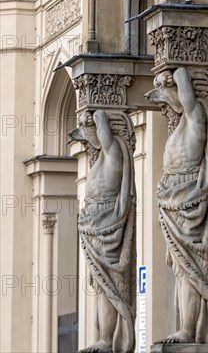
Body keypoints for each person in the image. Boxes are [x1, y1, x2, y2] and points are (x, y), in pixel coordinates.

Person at [145, 68, 208, 344]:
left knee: (191, 268)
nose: (165, 103)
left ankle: (190, 330)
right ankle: (185, 327)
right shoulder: (180, 124)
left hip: (190, 199)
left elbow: (187, 95)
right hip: (174, 200)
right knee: (182, 269)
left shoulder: (196, 114)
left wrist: (176, 68)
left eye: (168, 97)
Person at [70, 110, 136, 353]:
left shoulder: (113, 151)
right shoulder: (98, 159)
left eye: (89, 134)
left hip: (108, 225)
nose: (87, 141)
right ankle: (104, 338)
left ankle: (109, 341)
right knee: (101, 285)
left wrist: (96, 113)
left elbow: (105, 134)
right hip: (95, 226)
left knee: (109, 286)